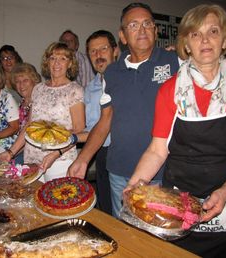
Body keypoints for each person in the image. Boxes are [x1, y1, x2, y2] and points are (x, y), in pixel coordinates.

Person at [126, 4, 226, 257]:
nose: (204, 40)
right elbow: (158, 150)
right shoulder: (170, 90)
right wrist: (136, 184)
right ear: (187, 44)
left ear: (224, 41)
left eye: (213, 31)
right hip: (180, 203)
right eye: (195, 34)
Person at [68, 3, 180, 218]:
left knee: (155, 236)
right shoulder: (111, 73)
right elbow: (105, 121)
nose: (142, 29)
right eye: (134, 25)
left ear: (156, 31)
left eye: (147, 24)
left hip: (162, 172)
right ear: (123, 36)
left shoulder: (175, 62)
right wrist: (83, 158)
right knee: (126, 231)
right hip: (119, 171)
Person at [2, 42, 85, 182]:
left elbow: (78, 129)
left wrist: (55, 154)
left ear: (70, 63)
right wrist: (11, 152)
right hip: (32, 158)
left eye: (63, 59)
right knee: (34, 200)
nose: (56, 63)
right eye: (53, 58)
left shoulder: (74, 90)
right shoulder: (38, 89)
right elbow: (30, 125)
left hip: (60, 160)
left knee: (55, 201)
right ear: (47, 62)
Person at [79, 30, 119, 215]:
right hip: (101, 151)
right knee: (105, 204)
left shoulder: (127, 81)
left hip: (125, 152)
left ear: (115, 51)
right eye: (93, 52)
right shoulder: (90, 88)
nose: (98, 55)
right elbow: (90, 127)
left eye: (103, 49)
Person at [0, 62, 41, 164]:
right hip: (21, 150)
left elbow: (30, 135)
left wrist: (11, 153)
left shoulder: (39, 102)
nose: (21, 85)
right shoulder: (22, 102)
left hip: (35, 154)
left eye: (25, 80)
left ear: (34, 81)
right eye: (17, 81)